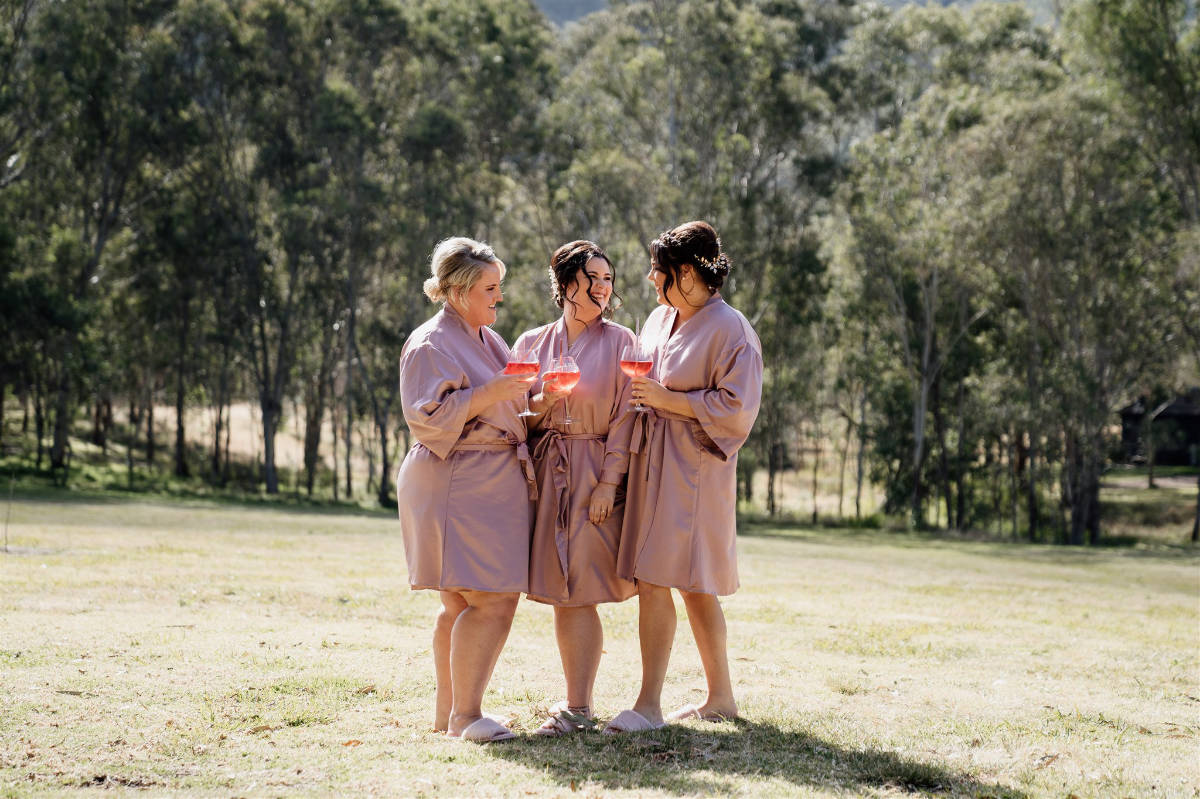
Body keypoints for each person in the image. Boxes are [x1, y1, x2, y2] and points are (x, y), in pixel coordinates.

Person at [603, 221, 763, 734]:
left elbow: (737, 409)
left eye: (660, 271)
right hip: (652, 463)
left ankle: (648, 706)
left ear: (689, 273)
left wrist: (672, 401)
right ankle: (721, 698)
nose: (651, 279)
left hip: (693, 473)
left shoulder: (733, 331)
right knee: (692, 586)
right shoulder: (658, 318)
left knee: (661, 578)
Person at [395, 237, 537, 743]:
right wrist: (493, 392)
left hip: (485, 480)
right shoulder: (431, 343)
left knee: (460, 603)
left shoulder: (487, 338)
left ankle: (448, 716)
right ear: (457, 291)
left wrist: (535, 398)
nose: (499, 297)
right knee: (493, 600)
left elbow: (503, 405)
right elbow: (425, 421)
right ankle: (466, 716)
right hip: (456, 479)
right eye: (490, 288)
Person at [513, 240, 638, 736]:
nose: (604, 288)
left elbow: (627, 419)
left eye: (608, 279)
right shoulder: (531, 344)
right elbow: (515, 415)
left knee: (580, 590)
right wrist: (544, 397)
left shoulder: (623, 343)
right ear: (567, 284)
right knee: (563, 592)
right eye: (594, 278)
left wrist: (609, 483)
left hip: (593, 472)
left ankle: (578, 709)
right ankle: (576, 707)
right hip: (546, 473)